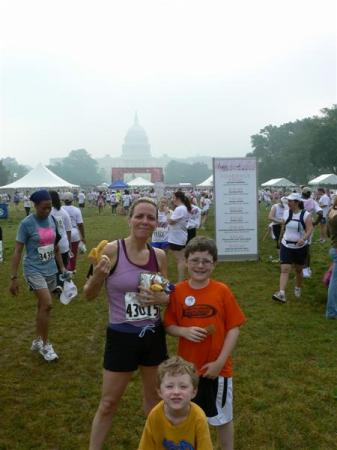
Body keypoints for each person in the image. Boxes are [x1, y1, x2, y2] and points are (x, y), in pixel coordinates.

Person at [84, 197, 170, 450]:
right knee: (109, 402)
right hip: (121, 336)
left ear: (156, 222)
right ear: (129, 218)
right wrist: (98, 277)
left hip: (152, 334)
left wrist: (162, 297)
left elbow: (167, 294)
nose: (145, 221)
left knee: (154, 399)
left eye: (150, 217)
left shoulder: (160, 255)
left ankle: (155, 445)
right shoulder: (111, 250)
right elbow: (88, 295)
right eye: (139, 216)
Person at [164, 236, 246, 450]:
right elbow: (168, 325)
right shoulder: (178, 292)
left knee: (222, 418)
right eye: (195, 260)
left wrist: (220, 362)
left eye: (206, 261)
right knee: (188, 417)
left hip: (217, 370)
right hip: (187, 372)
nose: (200, 266)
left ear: (214, 264)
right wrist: (184, 330)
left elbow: (234, 328)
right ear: (186, 261)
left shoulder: (222, 291)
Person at [9, 190, 69, 362]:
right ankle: (45, 345)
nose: (48, 211)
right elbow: (17, 251)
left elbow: (55, 247)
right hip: (33, 269)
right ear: (35, 206)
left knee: (42, 306)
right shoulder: (26, 224)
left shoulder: (51, 220)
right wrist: (13, 278)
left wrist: (63, 268)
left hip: (50, 269)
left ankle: (37, 340)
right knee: (48, 304)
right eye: (44, 208)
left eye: (50, 207)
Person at [138, 356, 213, 450]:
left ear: (194, 392)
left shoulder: (199, 417)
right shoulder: (154, 416)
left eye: (183, 386)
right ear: (159, 391)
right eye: (169, 386)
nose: (176, 392)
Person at [272, 192, 313, 303]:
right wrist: (280, 239)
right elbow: (283, 227)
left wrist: (303, 239)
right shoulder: (286, 213)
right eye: (288, 201)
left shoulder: (306, 215)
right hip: (286, 245)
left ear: (297, 202)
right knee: (284, 269)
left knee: (298, 270)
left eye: (290, 201)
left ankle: (298, 287)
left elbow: (310, 229)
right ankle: (281, 293)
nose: (288, 203)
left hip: (300, 247)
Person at [49, 190, 72, 290]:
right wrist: (69, 244)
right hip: (63, 243)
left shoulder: (47, 212)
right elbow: (68, 230)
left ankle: (56, 286)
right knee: (63, 266)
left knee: (53, 266)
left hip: (51, 244)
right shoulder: (64, 212)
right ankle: (61, 284)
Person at [168, 191, 191, 282]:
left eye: (173, 198)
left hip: (176, 238)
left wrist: (167, 213)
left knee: (181, 260)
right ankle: (186, 279)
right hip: (180, 236)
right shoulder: (183, 208)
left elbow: (171, 221)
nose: (172, 200)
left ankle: (181, 282)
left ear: (177, 198)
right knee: (182, 259)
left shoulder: (180, 209)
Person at [301, 187, 323, 278]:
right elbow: (321, 213)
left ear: (302, 193)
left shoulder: (298, 200)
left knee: (299, 247)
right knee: (306, 246)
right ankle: (306, 269)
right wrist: (315, 223)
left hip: (299, 224)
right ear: (310, 194)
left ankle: (303, 269)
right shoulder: (313, 202)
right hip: (309, 224)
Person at [62, 192, 85, 272]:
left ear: (63, 200)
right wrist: (83, 237)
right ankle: (72, 269)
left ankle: (64, 268)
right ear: (73, 200)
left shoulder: (60, 209)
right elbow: (80, 224)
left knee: (63, 252)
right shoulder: (76, 210)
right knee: (73, 253)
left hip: (63, 234)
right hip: (74, 234)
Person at [326, 195, 337, 319]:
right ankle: (331, 312)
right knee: (335, 282)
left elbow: (328, 233)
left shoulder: (331, 212)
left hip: (334, 247)